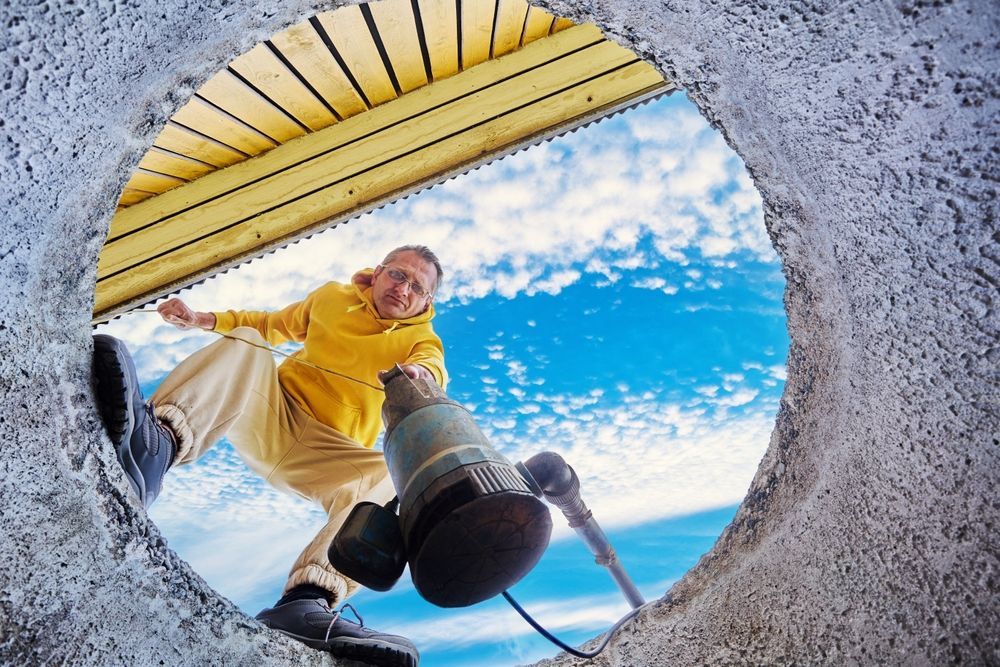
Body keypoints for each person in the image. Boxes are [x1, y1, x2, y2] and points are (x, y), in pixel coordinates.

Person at [92, 245, 447, 667]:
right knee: (248, 341)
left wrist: (421, 375)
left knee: (394, 479)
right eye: (398, 275)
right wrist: (203, 320)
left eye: (417, 286)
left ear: (426, 302)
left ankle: (307, 601)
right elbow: (269, 324)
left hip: (326, 453)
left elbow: (432, 368)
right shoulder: (332, 297)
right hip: (271, 409)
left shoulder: (422, 339)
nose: (403, 288)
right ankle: (153, 449)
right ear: (377, 273)